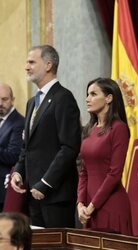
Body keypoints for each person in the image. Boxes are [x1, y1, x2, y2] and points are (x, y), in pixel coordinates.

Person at [10, 45, 81, 228]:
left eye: (32, 62)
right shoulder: (32, 102)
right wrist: (19, 171)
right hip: (33, 194)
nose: (26, 67)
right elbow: (28, 145)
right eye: (27, 62)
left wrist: (45, 183)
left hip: (55, 195)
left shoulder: (64, 98)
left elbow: (69, 148)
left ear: (48, 65)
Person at [77, 78, 132, 235]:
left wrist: (92, 206)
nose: (88, 99)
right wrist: (80, 204)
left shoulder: (119, 128)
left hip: (110, 206)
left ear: (109, 98)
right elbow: (83, 171)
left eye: (93, 94)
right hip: (88, 210)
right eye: (87, 94)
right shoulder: (89, 129)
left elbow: (114, 174)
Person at [0, 83, 24, 212]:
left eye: (4, 99)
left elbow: (14, 155)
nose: (0, 103)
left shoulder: (19, 122)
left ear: (12, 100)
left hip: (5, 189)